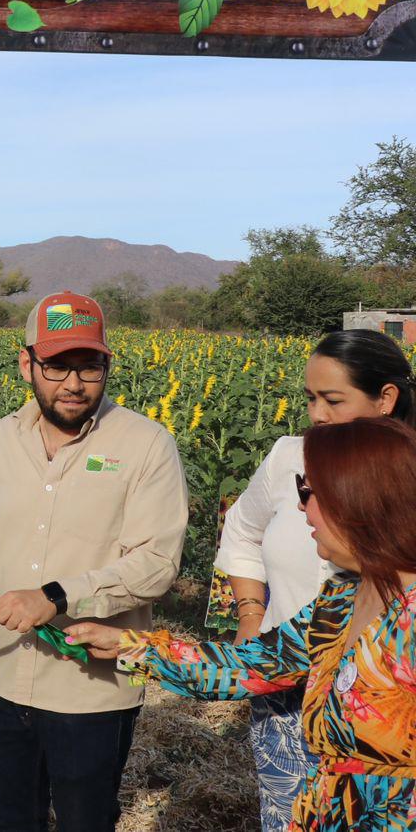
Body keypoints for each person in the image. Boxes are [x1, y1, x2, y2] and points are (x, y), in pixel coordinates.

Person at [68, 416, 416, 831]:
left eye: (309, 491)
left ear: (358, 500)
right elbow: (255, 664)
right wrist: (132, 646)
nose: (302, 508)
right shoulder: (343, 597)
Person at [0, 290, 188, 832]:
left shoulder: (147, 444)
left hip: (95, 686)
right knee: (10, 817)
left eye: (88, 367)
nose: (73, 383)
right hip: (2, 674)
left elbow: (158, 563)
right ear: (27, 364)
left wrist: (56, 597)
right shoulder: (2, 438)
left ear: (106, 365)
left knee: (85, 820)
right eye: (56, 366)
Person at [213, 329, 416, 832]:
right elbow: (240, 532)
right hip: (286, 689)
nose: (318, 414)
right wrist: (250, 614)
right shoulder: (292, 457)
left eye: (333, 399)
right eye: (310, 399)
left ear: (385, 398)